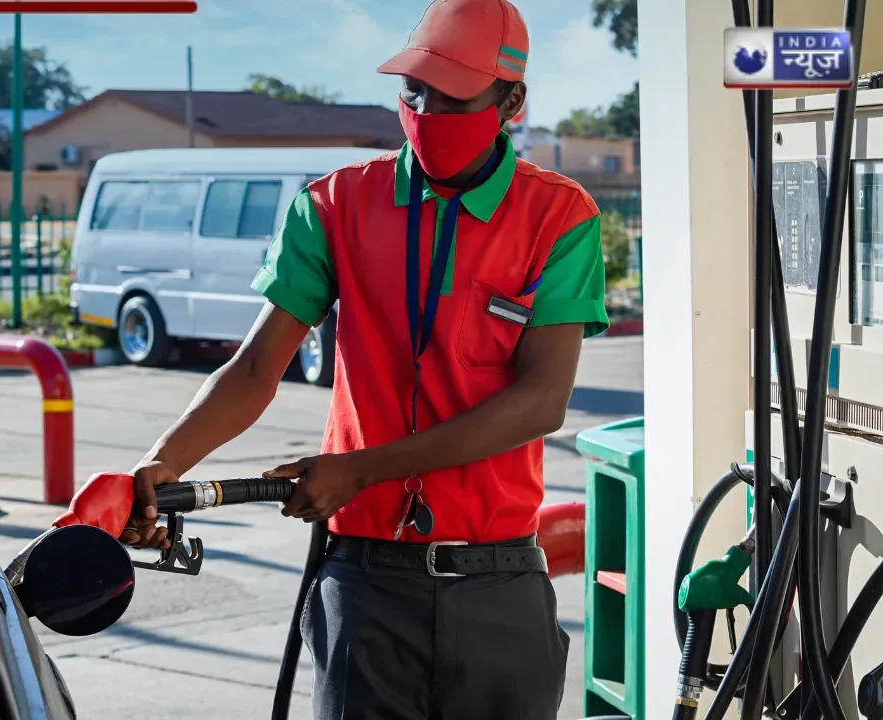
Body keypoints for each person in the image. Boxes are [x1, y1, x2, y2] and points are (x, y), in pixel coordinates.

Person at [121, 0, 608, 716]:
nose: (425, 110)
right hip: (367, 584)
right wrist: (165, 463)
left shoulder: (559, 219)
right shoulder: (335, 205)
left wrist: (361, 469)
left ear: (511, 101)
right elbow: (257, 368)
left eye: (452, 97)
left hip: (497, 582)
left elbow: (540, 402)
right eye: (413, 91)